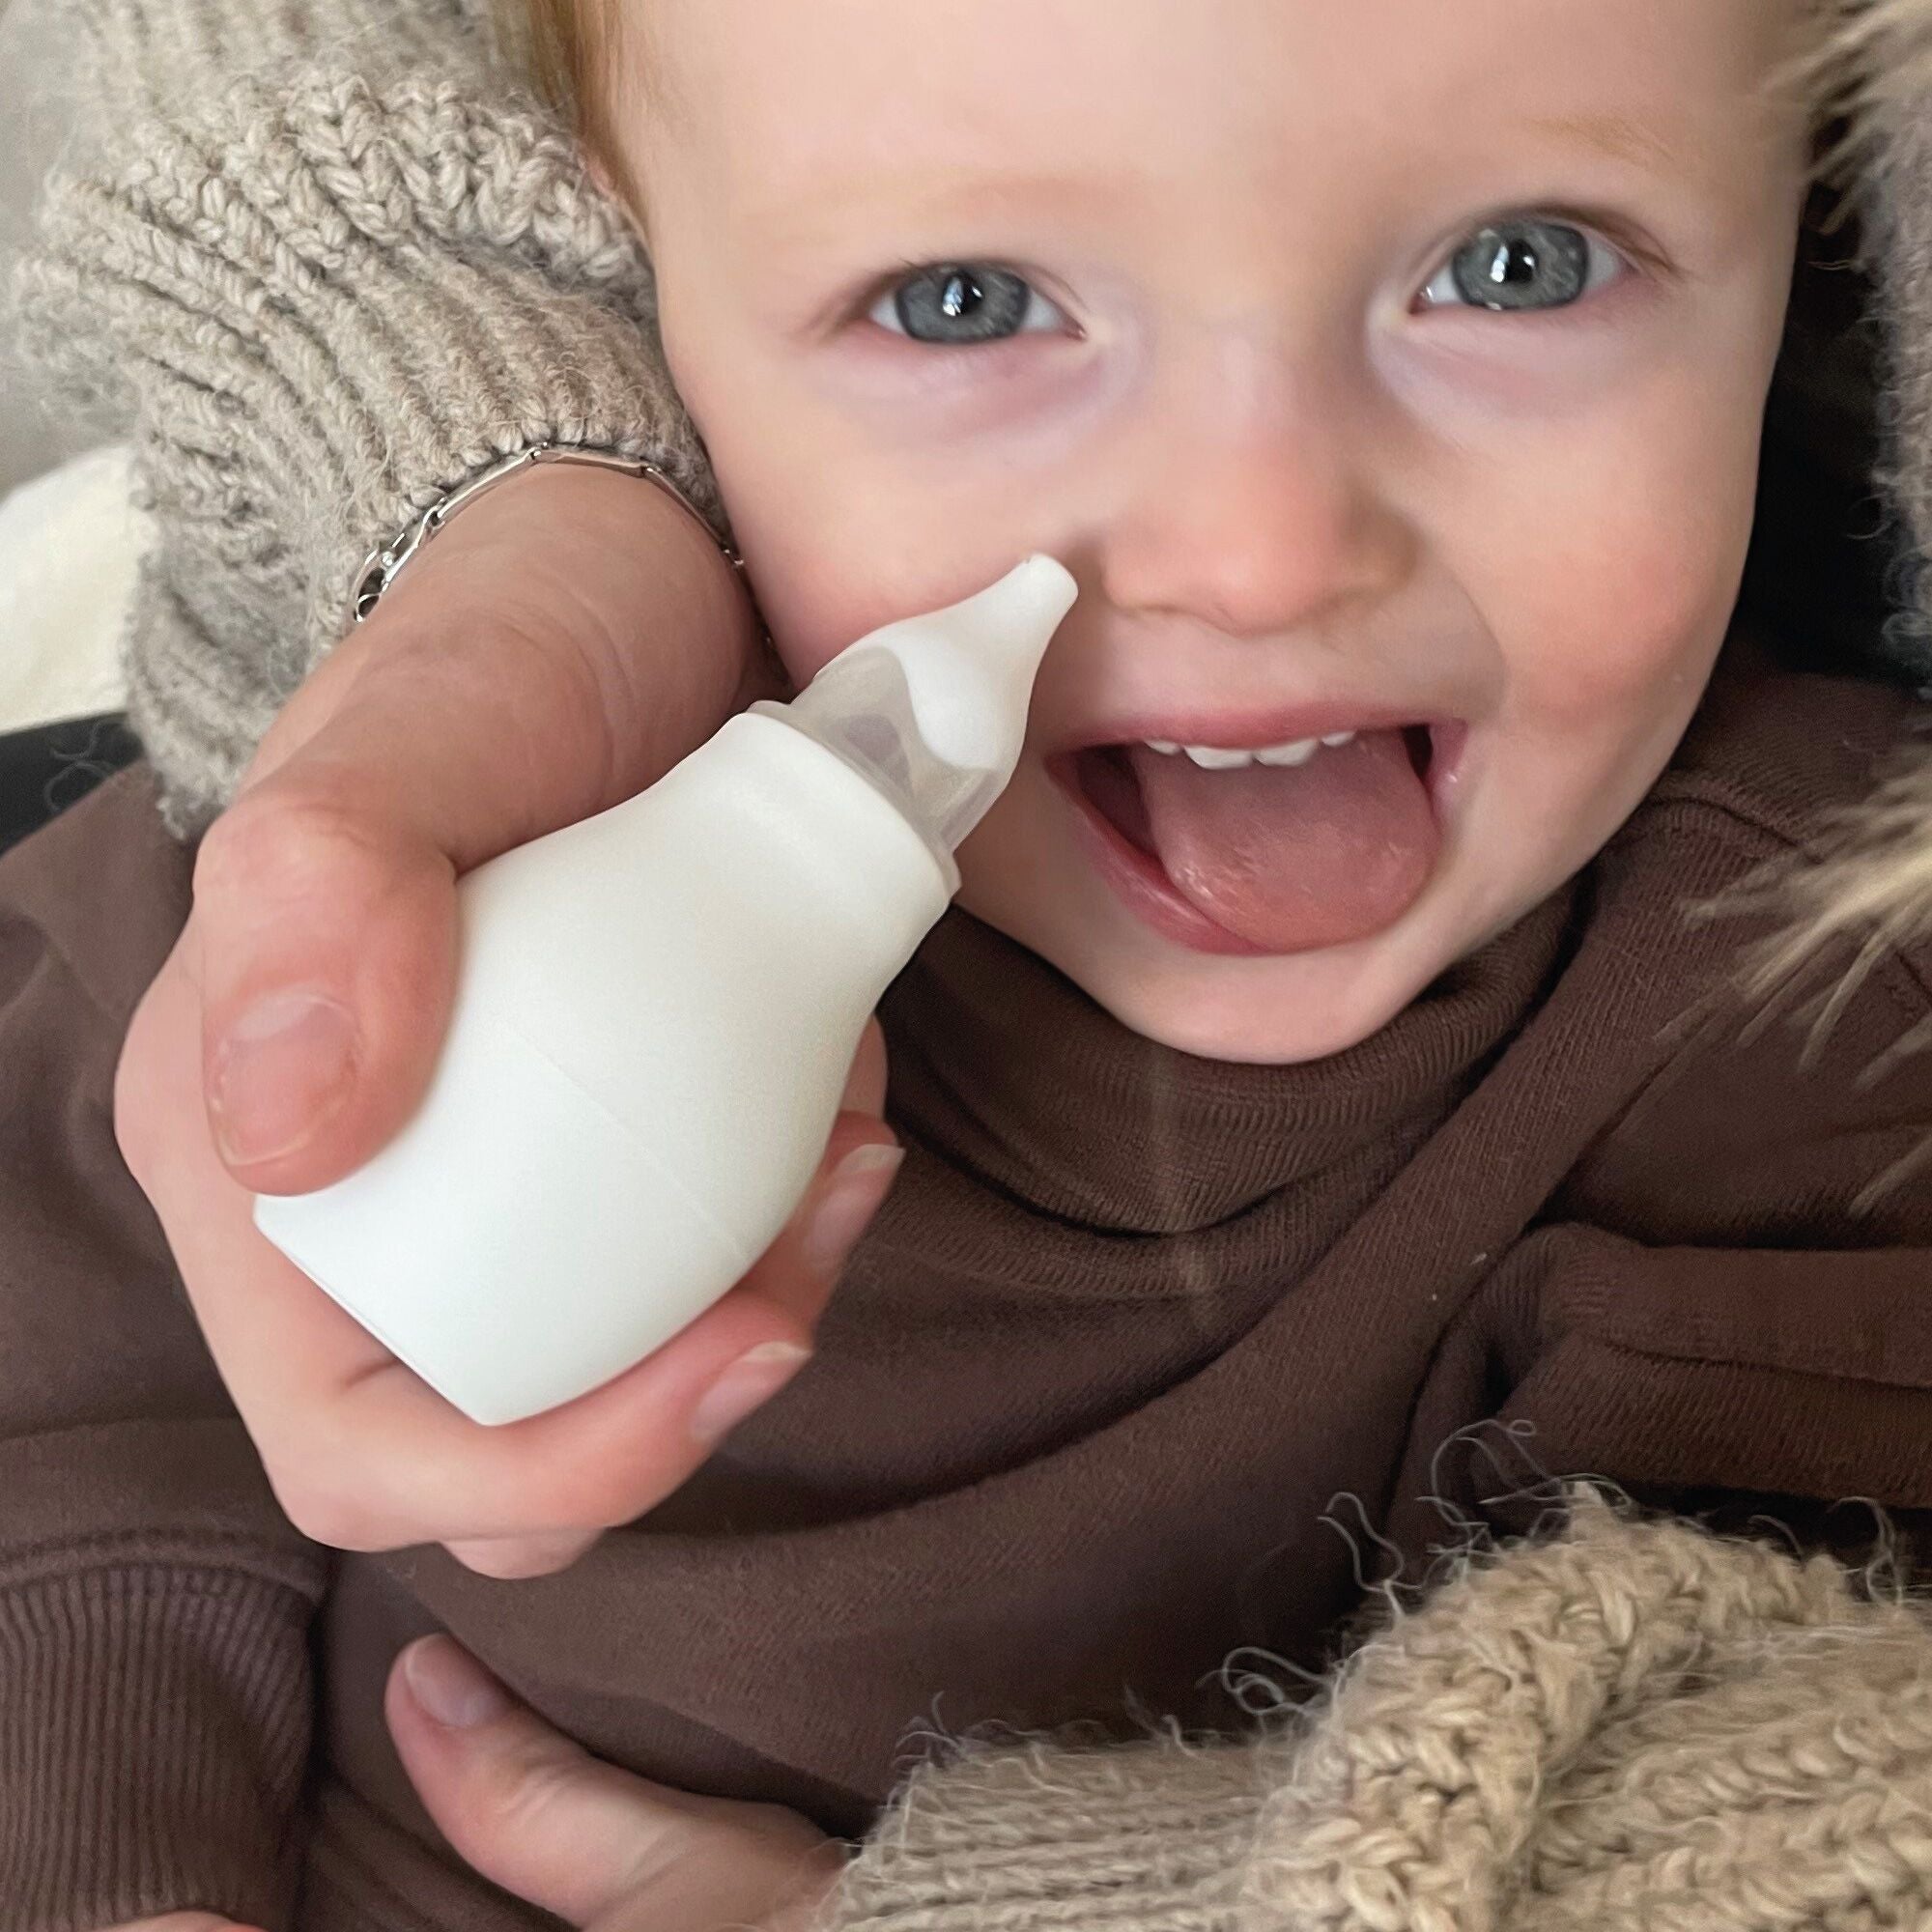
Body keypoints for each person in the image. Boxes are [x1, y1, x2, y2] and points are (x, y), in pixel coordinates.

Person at [10, 1, 1932, 1928]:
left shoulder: (1800, 1028)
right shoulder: (462, 827)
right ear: (646, 298)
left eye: (1521, 268)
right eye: (963, 304)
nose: (1258, 552)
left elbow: (1743, 1782)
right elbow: (70, 1352)